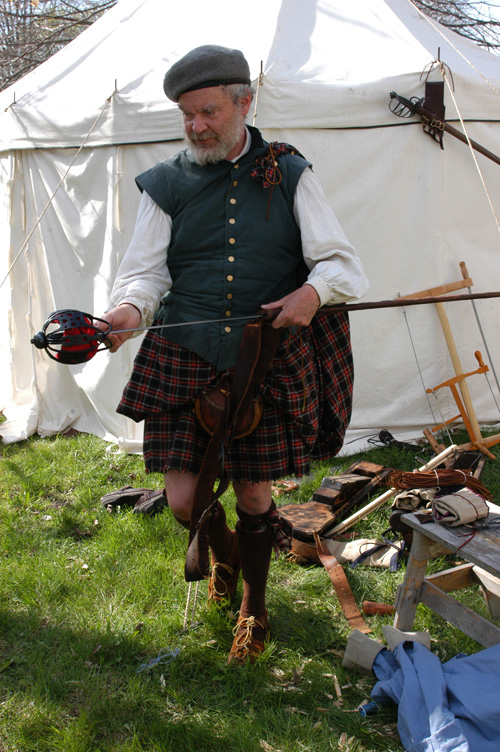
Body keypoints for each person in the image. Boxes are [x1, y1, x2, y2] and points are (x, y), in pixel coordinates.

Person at [101, 45, 369, 664]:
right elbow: (142, 278)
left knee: (253, 495)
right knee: (181, 501)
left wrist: (313, 290)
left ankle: (255, 606)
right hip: (183, 353)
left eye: (209, 112)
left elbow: (343, 264)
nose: (197, 126)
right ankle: (222, 553)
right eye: (188, 115)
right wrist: (122, 317)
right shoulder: (166, 184)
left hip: (264, 359)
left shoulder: (292, 172)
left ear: (245, 103)